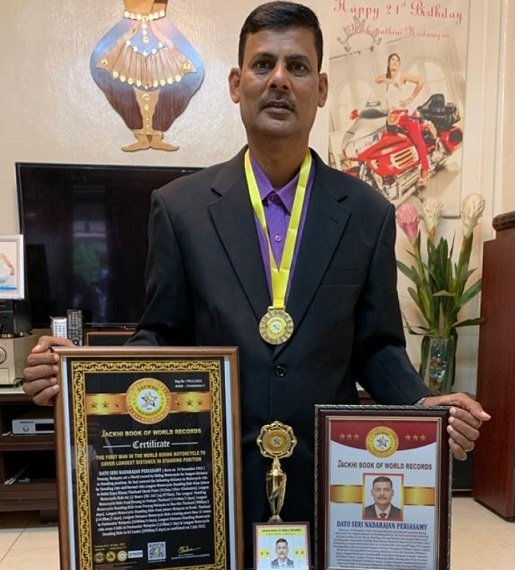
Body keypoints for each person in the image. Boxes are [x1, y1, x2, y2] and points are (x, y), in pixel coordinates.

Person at [24, 2, 490, 567]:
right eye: (263, 64)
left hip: (326, 476)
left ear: (320, 89)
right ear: (235, 83)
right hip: (214, 479)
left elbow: (377, 346)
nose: (279, 80)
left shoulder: (367, 212)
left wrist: (424, 406)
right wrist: (83, 376)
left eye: (298, 66)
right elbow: (163, 336)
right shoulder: (181, 209)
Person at [90, 0, 204, 152]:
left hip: (161, 26)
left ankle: (157, 131)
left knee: (190, 73)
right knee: (103, 69)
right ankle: (139, 132)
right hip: (130, 26)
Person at [375, 53, 430, 186]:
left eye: (397, 61)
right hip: (395, 117)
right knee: (392, 142)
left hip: (407, 114)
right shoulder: (388, 80)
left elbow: (421, 80)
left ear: (399, 65)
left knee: (417, 141)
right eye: (392, 60)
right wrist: (389, 79)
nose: (395, 62)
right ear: (388, 63)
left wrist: (410, 98)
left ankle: (425, 170)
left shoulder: (402, 76)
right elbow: (376, 79)